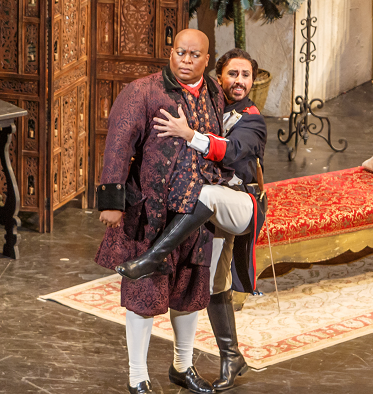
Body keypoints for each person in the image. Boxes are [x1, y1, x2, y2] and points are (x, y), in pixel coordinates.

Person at [95, 29, 230, 394]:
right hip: (152, 214)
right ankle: (137, 377)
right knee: (144, 293)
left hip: (197, 214)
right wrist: (112, 202)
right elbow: (118, 143)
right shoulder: (143, 91)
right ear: (171, 52)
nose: (185, 60)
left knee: (190, 291)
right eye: (179, 52)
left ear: (206, 58)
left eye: (194, 55)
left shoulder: (215, 92)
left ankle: (182, 367)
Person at [145, 48, 268, 391]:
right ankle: (232, 356)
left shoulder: (253, 120)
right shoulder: (212, 109)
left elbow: (229, 151)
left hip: (242, 205)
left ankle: (155, 255)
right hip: (211, 210)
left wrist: (189, 135)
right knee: (213, 282)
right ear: (220, 77)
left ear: (253, 81)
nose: (239, 81)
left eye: (245, 75)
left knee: (207, 195)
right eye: (233, 74)